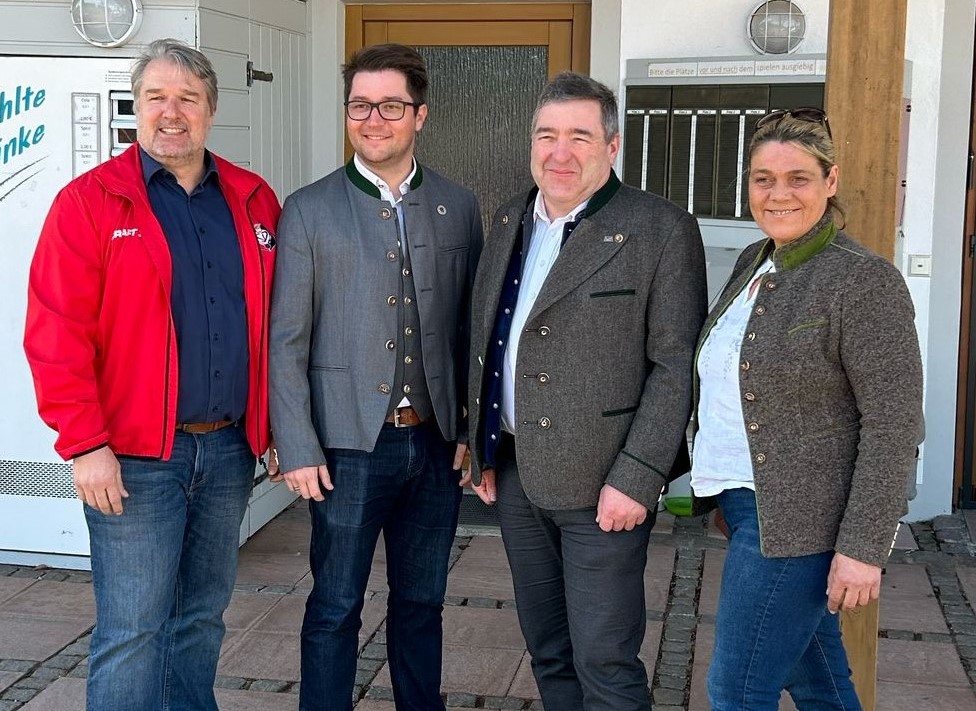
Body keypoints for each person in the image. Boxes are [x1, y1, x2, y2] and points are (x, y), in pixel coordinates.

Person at [23, 39, 280, 710]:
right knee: (133, 629)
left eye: (187, 98)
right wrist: (84, 443)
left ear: (211, 110)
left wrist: (276, 423)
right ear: (134, 110)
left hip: (227, 450)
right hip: (134, 457)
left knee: (201, 617)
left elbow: (280, 325)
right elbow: (56, 332)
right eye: (155, 98)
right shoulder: (90, 202)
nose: (171, 113)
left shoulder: (254, 201)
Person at [467, 72, 707, 711]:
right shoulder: (510, 217)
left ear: (612, 145)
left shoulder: (660, 229)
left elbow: (675, 365)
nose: (560, 152)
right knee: (547, 645)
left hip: (605, 481)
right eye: (547, 135)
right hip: (517, 472)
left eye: (579, 136)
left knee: (604, 656)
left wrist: (639, 475)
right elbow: (490, 335)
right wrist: (480, 443)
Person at [269, 43, 483, 711]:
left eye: (390, 105)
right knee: (335, 603)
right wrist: (297, 445)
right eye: (361, 105)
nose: (374, 118)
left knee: (422, 601)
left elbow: (471, 333)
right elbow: (286, 339)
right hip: (346, 449)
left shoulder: (458, 203)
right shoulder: (308, 209)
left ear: (420, 115)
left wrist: (472, 429)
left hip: (434, 442)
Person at [689, 108, 924, 710]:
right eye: (762, 178)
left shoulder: (863, 281)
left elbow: (893, 424)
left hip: (800, 522)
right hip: (746, 506)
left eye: (797, 177)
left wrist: (865, 546)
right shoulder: (753, 262)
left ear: (831, 181)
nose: (778, 193)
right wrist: (719, 490)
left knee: (737, 691)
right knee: (820, 683)